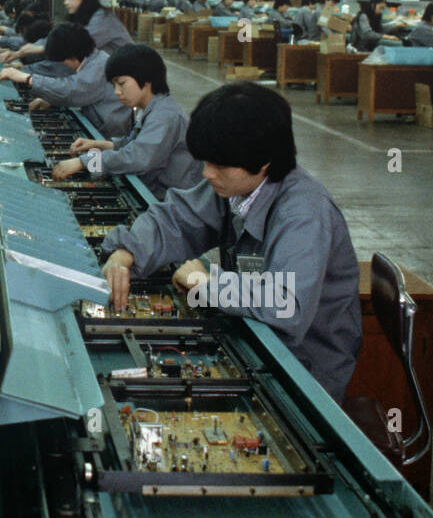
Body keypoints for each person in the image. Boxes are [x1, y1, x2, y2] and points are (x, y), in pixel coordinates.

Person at [99, 82, 362, 403]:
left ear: (263, 161)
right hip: (256, 336)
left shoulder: (305, 212)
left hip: (303, 367)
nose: (207, 174)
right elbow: (176, 219)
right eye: (205, 162)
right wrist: (126, 251)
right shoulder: (239, 186)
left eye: (219, 165)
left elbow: (286, 302)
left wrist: (205, 282)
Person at [50, 44, 203, 199]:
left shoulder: (164, 117)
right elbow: (135, 143)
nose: (117, 91)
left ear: (146, 80)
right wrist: (99, 145)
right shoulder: (152, 107)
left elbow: (137, 158)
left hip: (170, 201)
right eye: (114, 85)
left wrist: (84, 162)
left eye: (121, 83)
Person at [0, 22, 132, 138]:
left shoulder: (99, 66)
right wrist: (52, 101)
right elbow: (82, 93)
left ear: (71, 57)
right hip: (97, 126)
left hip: (108, 138)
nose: (63, 66)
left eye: (62, 62)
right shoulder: (94, 59)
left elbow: (71, 90)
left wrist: (26, 78)